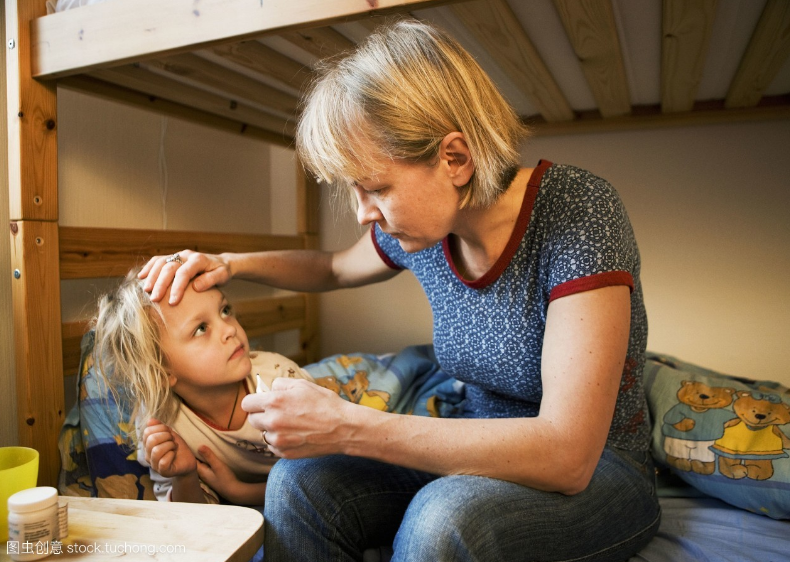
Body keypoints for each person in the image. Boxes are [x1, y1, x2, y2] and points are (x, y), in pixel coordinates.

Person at [139, 18, 660, 562]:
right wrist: (228, 263)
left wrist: (350, 427)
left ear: (454, 160)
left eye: (377, 188)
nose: (365, 213)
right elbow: (335, 268)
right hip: (474, 443)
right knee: (297, 483)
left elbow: (567, 454)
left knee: (443, 520)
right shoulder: (428, 230)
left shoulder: (577, 212)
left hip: (600, 471)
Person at [93, 268, 313, 505]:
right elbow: (193, 517)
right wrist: (184, 476)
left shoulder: (280, 381)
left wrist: (238, 492)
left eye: (225, 310)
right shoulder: (163, 424)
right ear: (162, 372)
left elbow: (329, 477)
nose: (230, 329)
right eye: (201, 328)